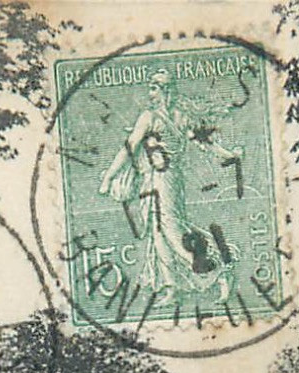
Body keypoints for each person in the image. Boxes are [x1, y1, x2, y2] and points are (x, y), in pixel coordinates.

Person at [98, 70, 241, 308]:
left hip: (164, 182)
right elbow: (206, 143)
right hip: (153, 180)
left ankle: (218, 271)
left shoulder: (151, 117)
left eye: (154, 88)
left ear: (164, 91)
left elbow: (130, 148)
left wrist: (109, 178)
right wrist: (230, 155)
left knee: (173, 232)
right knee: (157, 233)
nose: (150, 92)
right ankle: (171, 286)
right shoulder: (174, 117)